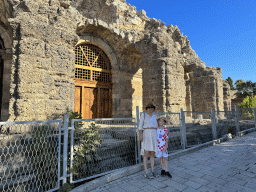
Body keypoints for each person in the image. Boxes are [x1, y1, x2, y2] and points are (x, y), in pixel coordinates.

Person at [138, 103, 160, 179]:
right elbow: (140, 126)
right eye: (148, 108)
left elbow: (158, 127)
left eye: (151, 108)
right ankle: (146, 172)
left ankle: (153, 170)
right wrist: (140, 135)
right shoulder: (143, 116)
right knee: (146, 153)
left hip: (154, 134)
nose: (150, 109)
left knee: (152, 153)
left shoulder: (155, 117)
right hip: (146, 134)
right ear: (146, 109)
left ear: (153, 109)